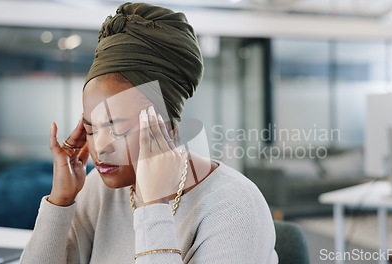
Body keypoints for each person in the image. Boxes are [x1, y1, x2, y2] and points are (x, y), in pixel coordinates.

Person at [19, 2, 278, 264]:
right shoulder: (99, 188)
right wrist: (60, 201)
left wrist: (154, 207)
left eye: (117, 128)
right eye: (90, 129)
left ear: (169, 128)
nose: (100, 147)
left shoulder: (234, 206)